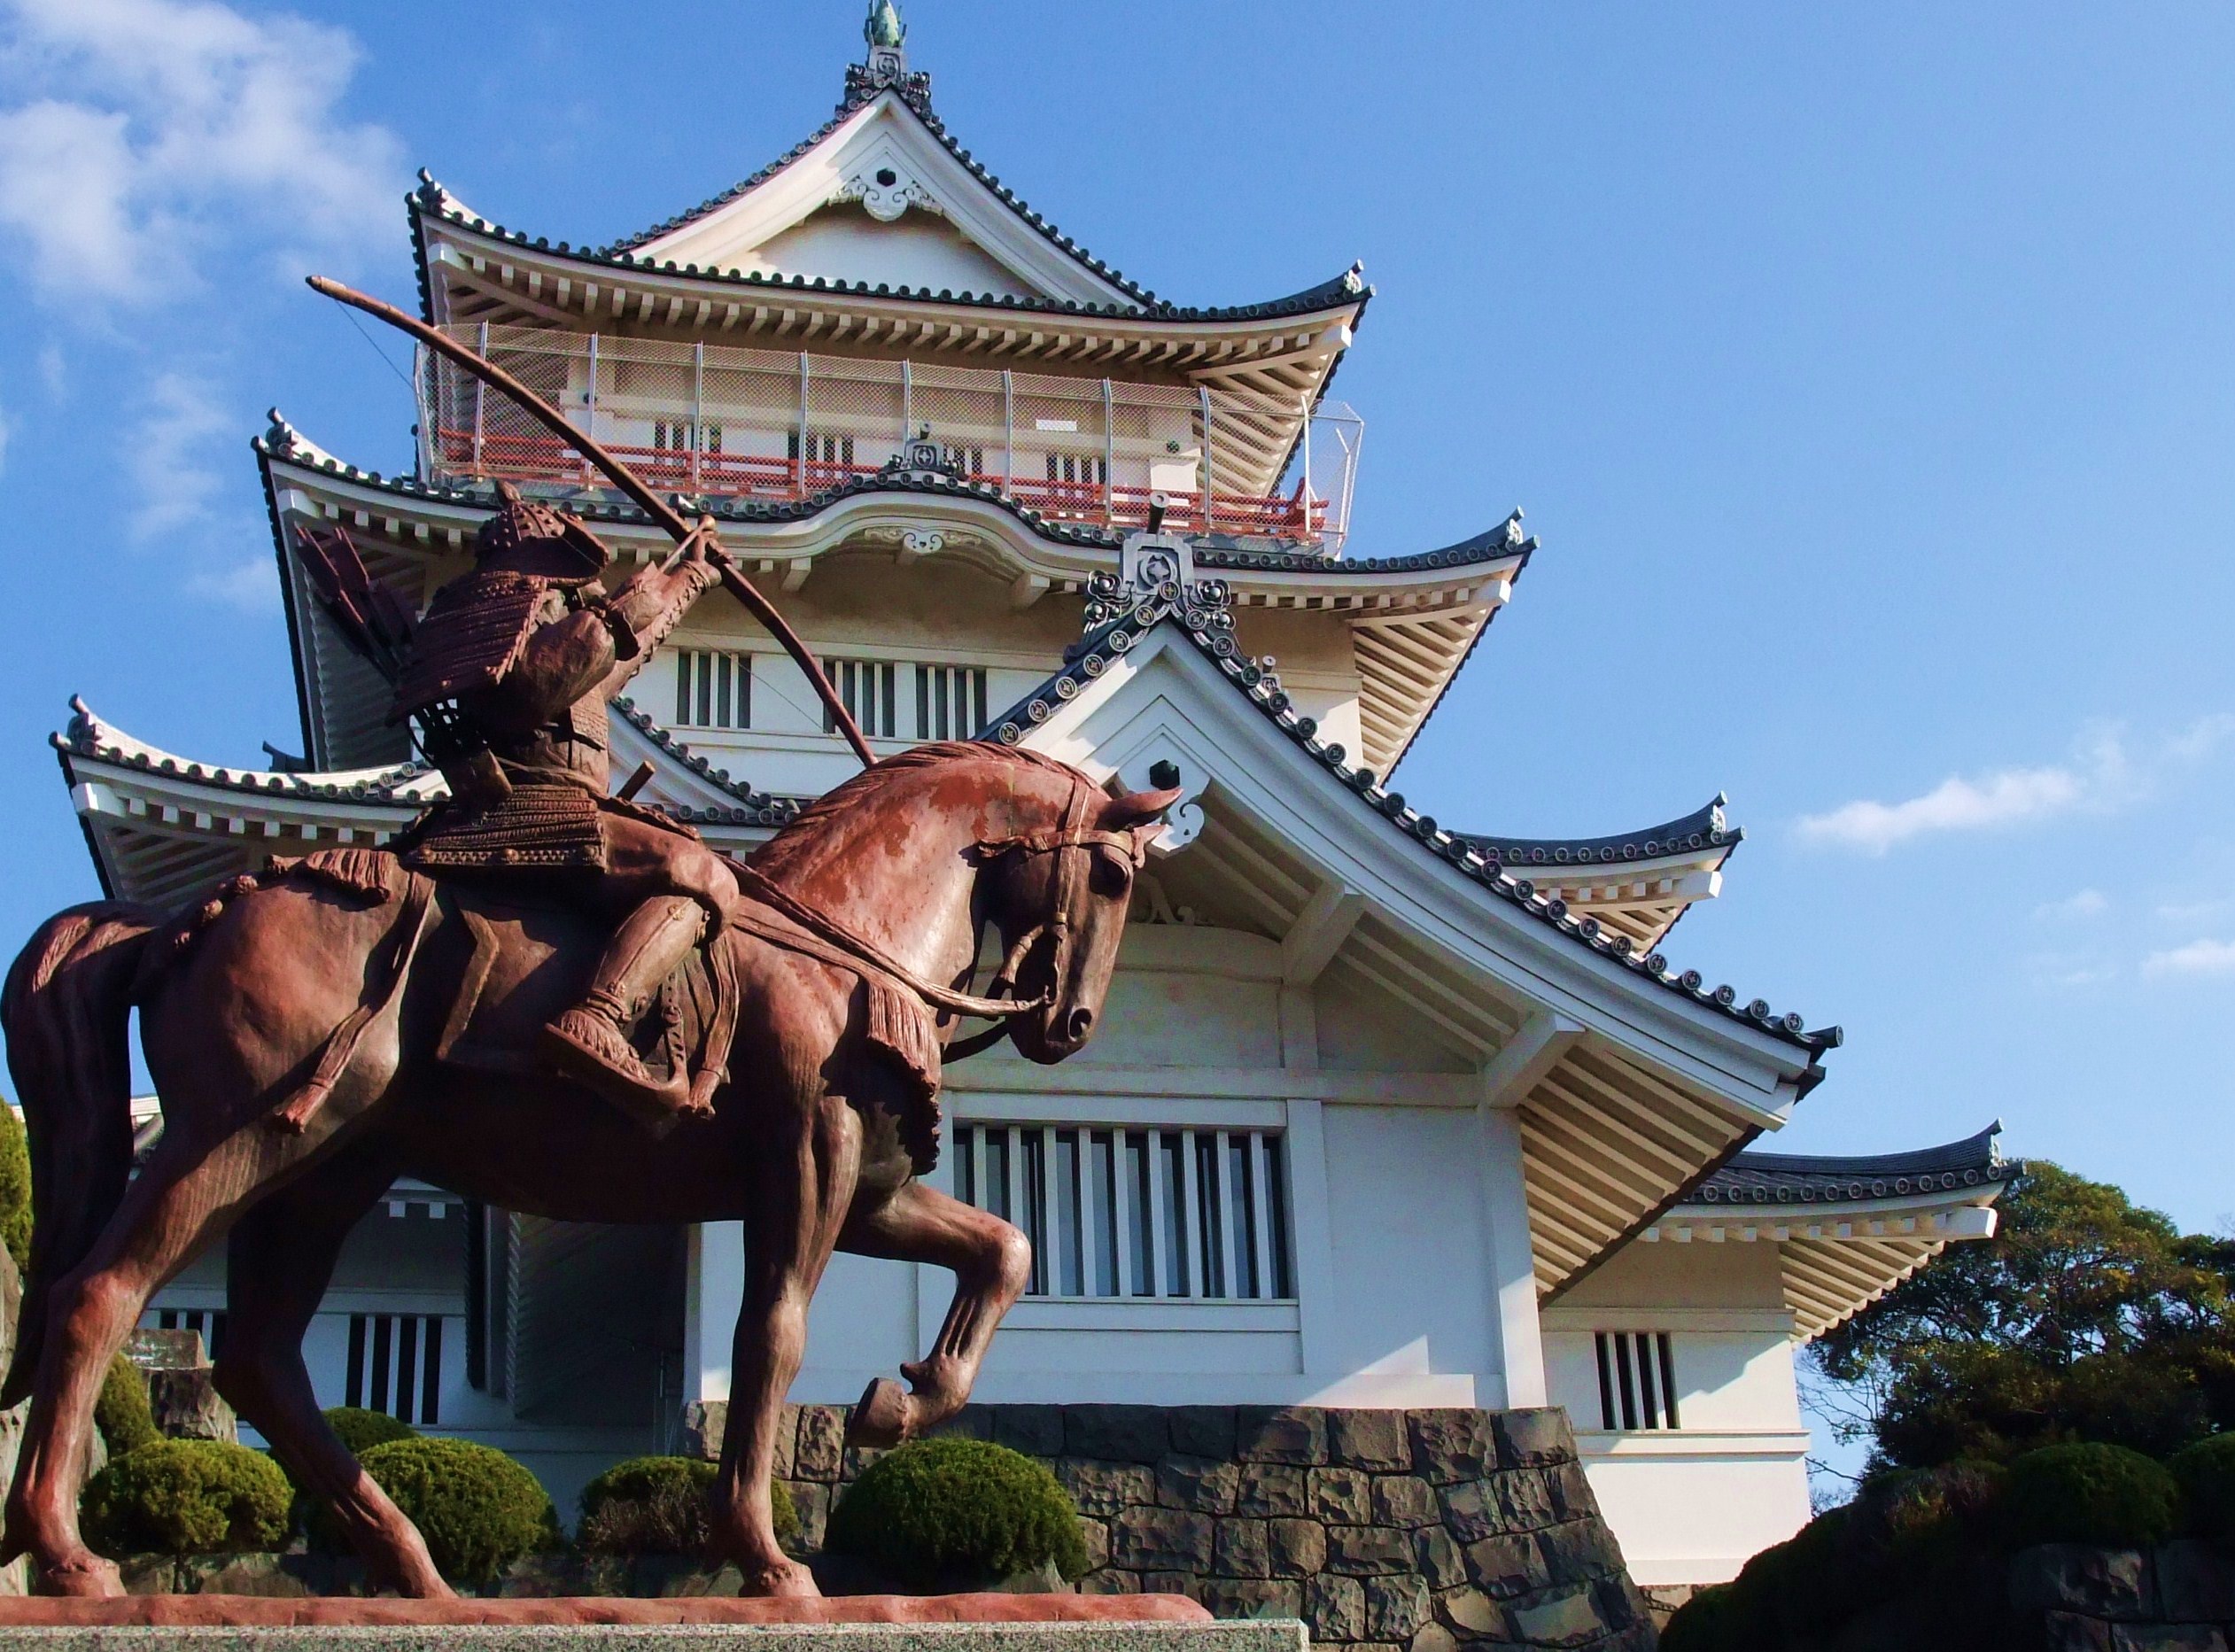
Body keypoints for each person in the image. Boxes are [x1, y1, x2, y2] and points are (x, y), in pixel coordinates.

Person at [391, 482, 738, 1128]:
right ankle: (599, 1015)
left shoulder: (565, 628)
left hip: (566, 806)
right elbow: (533, 690)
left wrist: (690, 575)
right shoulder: (494, 623)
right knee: (702, 873)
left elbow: (611, 665)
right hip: (523, 807)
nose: (575, 588)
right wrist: (616, 612)